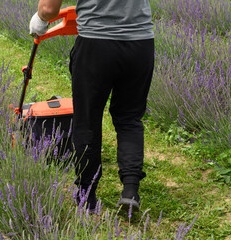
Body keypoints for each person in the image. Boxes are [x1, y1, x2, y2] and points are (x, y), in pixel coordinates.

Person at [29, 0, 154, 212]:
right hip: (140, 43)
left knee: (87, 120)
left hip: (96, 44)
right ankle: (131, 190)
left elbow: (48, 10)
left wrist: (39, 20)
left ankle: (87, 195)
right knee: (129, 119)